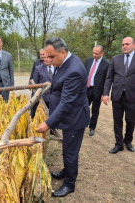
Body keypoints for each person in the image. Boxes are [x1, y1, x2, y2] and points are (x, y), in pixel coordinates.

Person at [36, 37, 90, 198]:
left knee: (70, 152)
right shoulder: (63, 62)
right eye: (47, 56)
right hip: (69, 116)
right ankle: (67, 171)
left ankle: (69, 184)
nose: (48, 60)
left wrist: (47, 123)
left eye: (51, 57)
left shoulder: (74, 70)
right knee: (67, 148)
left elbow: (66, 103)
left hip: (74, 117)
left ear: (63, 52)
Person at [102, 36, 135, 154]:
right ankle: (119, 144)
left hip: (132, 96)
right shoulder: (115, 59)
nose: (124, 46)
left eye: (127, 44)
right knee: (117, 121)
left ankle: (128, 141)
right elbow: (109, 77)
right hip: (117, 95)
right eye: (123, 44)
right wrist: (105, 93)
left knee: (131, 121)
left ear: (133, 45)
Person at [85, 45, 110, 136]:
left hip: (97, 91)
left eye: (96, 53)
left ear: (102, 53)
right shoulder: (88, 61)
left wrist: (104, 93)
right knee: (83, 108)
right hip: (86, 89)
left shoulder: (107, 64)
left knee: (95, 110)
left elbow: (108, 79)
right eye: (93, 52)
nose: (94, 55)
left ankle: (92, 127)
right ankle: (83, 123)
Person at [29, 49, 46, 118]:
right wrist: (30, 84)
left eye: (43, 54)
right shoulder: (36, 63)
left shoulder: (50, 62)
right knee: (34, 103)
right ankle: (32, 117)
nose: (42, 56)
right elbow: (32, 74)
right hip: (36, 86)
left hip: (44, 87)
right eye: (40, 54)